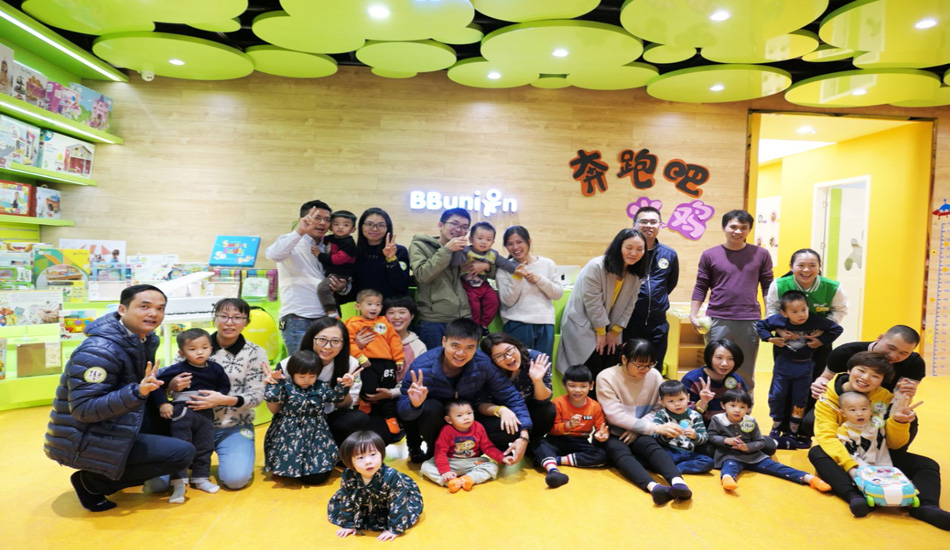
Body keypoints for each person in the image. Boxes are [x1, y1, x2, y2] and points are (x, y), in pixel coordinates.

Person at [44, 285, 195, 512]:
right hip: (86, 436)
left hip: (119, 419)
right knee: (182, 454)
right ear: (122, 310)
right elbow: (84, 409)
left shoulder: (142, 339)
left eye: (160, 308)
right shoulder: (100, 350)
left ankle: (123, 470)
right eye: (144, 307)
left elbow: (131, 380)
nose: (153, 314)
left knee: (184, 421)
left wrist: (165, 384)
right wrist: (138, 392)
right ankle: (91, 482)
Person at [809, 352, 950, 529]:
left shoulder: (884, 398)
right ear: (849, 370)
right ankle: (854, 497)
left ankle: (926, 506)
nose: (865, 378)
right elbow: (827, 437)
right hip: (846, 455)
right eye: (861, 370)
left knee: (927, 464)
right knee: (817, 452)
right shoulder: (827, 399)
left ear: (882, 381)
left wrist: (898, 421)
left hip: (876, 453)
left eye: (875, 376)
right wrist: (852, 466)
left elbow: (895, 445)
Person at [397, 318, 532, 464]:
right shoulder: (422, 366)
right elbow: (403, 412)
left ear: (476, 347)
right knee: (430, 408)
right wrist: (414, 404)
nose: (461, 353)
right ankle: (432, 452)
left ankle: (470, 452)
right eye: (455, 346)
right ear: (444, 341)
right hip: (437, 421)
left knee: (512, 425)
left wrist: (524, 435)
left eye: (469, 347)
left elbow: (510, 395)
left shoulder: (483, 363)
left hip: (468, 417)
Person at [597, 339, 692, 504]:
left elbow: (657, 408)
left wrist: (639, 428)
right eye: (640, 365)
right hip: (612, 431)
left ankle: (679, 483)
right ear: (624, 359)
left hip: (641, 428)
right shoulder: (606, 377)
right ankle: (654, 488)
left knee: (651, 447)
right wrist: (650, 428)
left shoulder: (654, 375)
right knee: (619, 452)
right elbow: (614, 415)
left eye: (650, 364)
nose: (646, 370)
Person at [690, 209, 774, 391]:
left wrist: (769, 315)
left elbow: (768, 286)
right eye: (733, 227)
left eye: (743, 228)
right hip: (717, 319)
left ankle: (744, 405)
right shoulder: (710, 254)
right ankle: (713, 404)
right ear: (724, 228)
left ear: (749, 229)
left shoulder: (761, 254)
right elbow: (701, 286)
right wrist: (693, 314)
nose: (738, 231)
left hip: (749, 319)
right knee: (715, 366)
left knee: (745, 368)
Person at [806, 325, 925, 444]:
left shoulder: (914, 363)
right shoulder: (845, 352)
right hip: (842, 405)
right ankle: (838, 447)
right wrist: (820, 382)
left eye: (903, 353)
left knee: (907, 420)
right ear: (880, 338)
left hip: (880, 407)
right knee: (811, 421)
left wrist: (907, 395)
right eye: (891, 347)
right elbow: (826, 378)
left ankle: (892, 453)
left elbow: (902, 401)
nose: (893, 356)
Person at [556, 228, 648, 381]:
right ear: (618, 246)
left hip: (611, 327)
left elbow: (630, 305)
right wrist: (601, 332)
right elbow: (593, 302)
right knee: (587, 372)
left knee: (608, 370)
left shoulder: (635, 273)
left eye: (639, 249)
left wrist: (615, 331)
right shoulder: (597, 266)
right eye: (629, 247)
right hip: (584, 324)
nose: (634, 253)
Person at [756, 289, 842, 448]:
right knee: (776, 396)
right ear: (784, 313)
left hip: (805, 367)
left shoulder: (815, 321)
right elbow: (760, 325)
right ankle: (776, 425)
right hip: (782, 366)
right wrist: (771, 339)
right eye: (794, 312)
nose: (801, 314)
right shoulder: (778, 320)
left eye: (804, 309)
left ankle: (793, 429)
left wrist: (820, 340)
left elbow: (837, 329)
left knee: (800, 399)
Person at [153, 328, 231, 503]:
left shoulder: (216, 368)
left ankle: (201, 478)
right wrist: (163, 403)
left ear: (211, 349)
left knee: (205, 446)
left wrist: (218, 397)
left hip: (206, 412)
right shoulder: (177, 369)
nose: (200, 352)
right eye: (193, 349)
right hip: (182, 412)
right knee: (181, 447)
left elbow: (224, 386)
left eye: (204, 347)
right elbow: (157, 385)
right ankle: (178, 484)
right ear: (181, 352)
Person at [281, 318, 386, 445]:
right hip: (296, 421)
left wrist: (344, 389)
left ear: (343, 344)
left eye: (335, 341)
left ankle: (340, 452)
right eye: (322, 340)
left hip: (327, 419)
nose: (327, 346)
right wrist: (272, 388)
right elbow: (276, 409)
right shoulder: (288, 364)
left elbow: (345, 406)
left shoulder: (351, 364)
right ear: (311, 339)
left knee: (359, 419)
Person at [709, 389, 830, 493]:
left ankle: (809, 478)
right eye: (732, 406)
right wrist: (726, 440)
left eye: (742, 407)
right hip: (730, 455)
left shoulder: (750, 421)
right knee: (729, 467)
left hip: (754, 456)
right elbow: (712, 436)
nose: (737, 410)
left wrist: (747, 447)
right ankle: (727, 479)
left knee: (777, 467)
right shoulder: (718, 419)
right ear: (723, 405)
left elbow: (760, 441)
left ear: (747, 409)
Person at [265, 200, 347, 354]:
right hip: (298, 317)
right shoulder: (291, 241)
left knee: (325, 365)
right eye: (317, 218)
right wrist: (299, 231)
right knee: (301, 366)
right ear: (303, 219)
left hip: (326, 318)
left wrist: (342, 287)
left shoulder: (328, 247)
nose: (322, 223)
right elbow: (273, 255)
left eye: (327, 219)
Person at [263, 350, 356, 485]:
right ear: (292, 373)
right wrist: (274, 383)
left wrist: (343, 385)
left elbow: (336, 398)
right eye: (302, 376)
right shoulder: (286, 386)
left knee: (318, 473)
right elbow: (272, 398)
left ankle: (305, 470)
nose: (307, 380)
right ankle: (291, 470)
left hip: (316, 432)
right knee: (290, 457)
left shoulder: (321, 386)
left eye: (312, 376)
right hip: (289, 432)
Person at [410, 208, 489, 349]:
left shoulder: (464, 249)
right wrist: (447, 250)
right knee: (434, 361)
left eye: (464, 227)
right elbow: (422, 275)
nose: (459, 230)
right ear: (440, 225)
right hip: (434, 320)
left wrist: (487, 266)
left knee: (465, 361)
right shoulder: (420, 245)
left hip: (463, 318)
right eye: (454, 224)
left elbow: (492, 265)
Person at [328, 431, 423, 541]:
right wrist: (348, 524)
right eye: (360, 457)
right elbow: (347, 498)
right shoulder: (348, 475)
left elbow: (398, 502)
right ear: (350, 462)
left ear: (381, 454)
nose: (368, 462)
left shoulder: (391, 476)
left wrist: (395, 529)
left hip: (389, 501)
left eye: (373, 455)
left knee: (399, 508)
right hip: (362, 500)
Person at [479, 332, 556, 456]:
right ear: (492, 360)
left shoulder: (536, 359)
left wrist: (537, 381)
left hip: (528, 407)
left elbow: (544, 399)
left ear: (517, 346)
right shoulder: (489, 370)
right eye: (499, 356)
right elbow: (481, 403)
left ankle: (531, 445)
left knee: (547, 411)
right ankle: (501, 448)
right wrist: (501, 410)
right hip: (501, 412)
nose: (509, 357)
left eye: (510, 350)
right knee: (506, 427)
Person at [623, 206, 679, 370]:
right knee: (627, 366)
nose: (649, 225)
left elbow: (670, 284)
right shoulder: (625, 252)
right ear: (634, 225)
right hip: (628, 322)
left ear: (660, 225)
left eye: (653, 222)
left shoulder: (669, 254)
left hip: (657, 324)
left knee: (654, 367)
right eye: (644, 221)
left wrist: (655, 298)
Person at [536, 364, 609, 489]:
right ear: (564, 385)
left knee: (601, 455)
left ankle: (555, 460)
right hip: (558, 440)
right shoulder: (558, 403)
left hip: (580, 442)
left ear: (591, 386)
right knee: (539, 442)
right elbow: (552, 430)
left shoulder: (595, 406)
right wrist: (567, 426)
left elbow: (600, 429)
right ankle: (553, 471)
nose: (577, 390)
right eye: (572, 385)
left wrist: (601, 435)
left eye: (583, 386)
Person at [495, 225, 563, 357]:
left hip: (545, 323)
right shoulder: (504, 269)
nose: (515, 247)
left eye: (519, 242)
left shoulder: (547, 264)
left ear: (529, 242)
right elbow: (507, 301)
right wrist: (517, 277)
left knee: (543, 366)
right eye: (510, 244)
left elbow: (557, 294)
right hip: (516, 323)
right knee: (518, 366)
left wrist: (540, 280)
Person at [420, 399, 515, 492]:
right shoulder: (447, 430)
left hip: (473, 462)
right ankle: (450, 481)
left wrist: (502, 457)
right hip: (451, 463)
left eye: (469, 413)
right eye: (459, 415)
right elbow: (440, 452)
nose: (466, 417)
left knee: (492, 466)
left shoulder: (478, 427)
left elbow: (488, 447)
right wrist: (445, 471)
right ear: (449, 419)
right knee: (426, 466)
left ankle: (469, 478)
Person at [345, 289, 404, 436]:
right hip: (367, 362)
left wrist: (398, 358)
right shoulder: (352, 324)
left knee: (387, 388)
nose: (374, 308)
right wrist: (360, 357)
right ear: (358, 306)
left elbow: (394, 340)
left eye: (378, 305)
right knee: (369, 386)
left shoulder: (384, 323)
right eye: (369, 304)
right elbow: (348, 343)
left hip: (387, 362)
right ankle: (366, 401)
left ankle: (391, 417)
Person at [450, 221, 517, 332]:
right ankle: (475, 326)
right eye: (480, 238)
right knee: (474, 306)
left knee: (493, 301)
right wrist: (457, 250)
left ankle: (484, 325)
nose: (484, 242)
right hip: (467, 285)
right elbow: (455, 263)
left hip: (484, 285)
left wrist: (516, 269)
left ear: (492, 242)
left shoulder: (493, 254)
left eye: (488, 239)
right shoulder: (466, 251)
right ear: (471, 239)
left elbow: (505, 263)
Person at [652, 380, 714, 475]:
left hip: (688, 453)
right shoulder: (661, 415)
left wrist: (695, 436)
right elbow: (655, 435)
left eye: (681, 399)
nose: (677, 404)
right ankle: (669, 467)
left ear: (688, 397)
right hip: (669, 450)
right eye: (671, 401)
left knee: (708, 462)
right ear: (662, 402)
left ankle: (679, 468)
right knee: (656, 458)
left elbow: (704, 437)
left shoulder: (695, 415)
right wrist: (667, 435)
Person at [681, 339, 748, 424]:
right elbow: (683, 415)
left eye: (730, 359)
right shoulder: (692, 380)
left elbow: (745, 408)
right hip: (699, 428)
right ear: (710, 358)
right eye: (719, 358)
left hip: (728, 427)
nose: (724, 363)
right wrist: (702, 403)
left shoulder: (737, 381)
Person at [316, 210, 358, 317]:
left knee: (323, 288)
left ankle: (332, 312)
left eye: (346, 225)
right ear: (330, 227)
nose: (340, 227)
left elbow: (338, 259)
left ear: (353, 229)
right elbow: (322, 239)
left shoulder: (348, 243)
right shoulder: (331, 238)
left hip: (341, 274)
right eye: (336, 224)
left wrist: (319, 255)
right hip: (332, 272)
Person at [834, 391, 892, 467]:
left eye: (864, 409)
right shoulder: (844, 431)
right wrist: (865, 468)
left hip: (885, 466)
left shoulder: (877, 422)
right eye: (853, 410)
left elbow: (893, 411)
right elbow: (849, 453)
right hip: (860, 468)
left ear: (871, 410)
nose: (860, 414)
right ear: (843, 413)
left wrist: (902, 396)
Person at [383, 295, 427, 381]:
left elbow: (420, 377)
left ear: (412, 316)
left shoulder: (418, 346)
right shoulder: (376, 341)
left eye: (402, 312)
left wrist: (395, 390)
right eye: (391, 313)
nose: (396, 317)